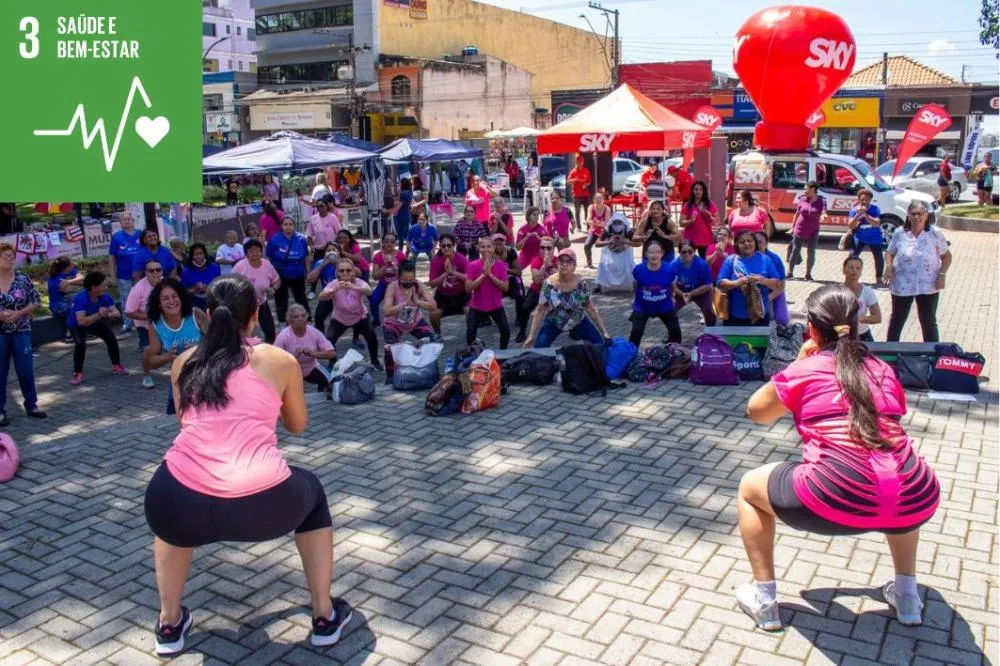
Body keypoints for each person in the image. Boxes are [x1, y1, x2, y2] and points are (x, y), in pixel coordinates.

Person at [143, 274, 352, 656]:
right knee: (314, 494)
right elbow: (297, 425)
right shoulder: (279, 361)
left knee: (173, 514)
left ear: (206, 316)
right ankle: (324, 615)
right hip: (263, 504)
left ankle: (169, 623)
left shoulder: (184, 363)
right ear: (256, 315)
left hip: (175, 501)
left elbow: (186, 426)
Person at [736, 284, 939, 632]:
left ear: (811, 329)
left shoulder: (806, 369)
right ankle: (907, 596)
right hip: (918, 495)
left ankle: (765, 599)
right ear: (856, 325)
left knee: (748, 489)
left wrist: (797, 365)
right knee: (897, 479)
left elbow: (757, 411)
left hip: (833, 497)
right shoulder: (881, 368)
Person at [883, 200, 951, 342]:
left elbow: (946, 256)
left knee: (928, 321)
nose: (916, 217)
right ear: (908, 215)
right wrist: (888, 266)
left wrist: (942, 274)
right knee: (897, 319)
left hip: (928, 284)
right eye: (913, 214)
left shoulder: (935, 233)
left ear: (926, 215)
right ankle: (891, 349)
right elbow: (890, 252)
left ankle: (931, 350)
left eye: (920, 214)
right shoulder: (900, 233)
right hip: (902, 283)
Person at [523, 248, 610, 348]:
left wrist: (604, 332)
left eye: (569, 262)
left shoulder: (580, 283)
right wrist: (531, 336)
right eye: (561, 261)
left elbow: (590, 308)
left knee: (599, 345)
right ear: (557, 264)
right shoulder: (548, 284)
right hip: (554, 321)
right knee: (540, 347)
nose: (564, 264)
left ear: (574, 266)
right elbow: (540, 310)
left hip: (577, 320)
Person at [0, 243, 45, 425]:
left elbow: (35, 301)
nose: (9, 259)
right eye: (5, 256)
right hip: (0, 332)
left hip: (21, 330)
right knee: (0, 372)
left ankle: (32, 405)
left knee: (25, 370)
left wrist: (19, 313)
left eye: (12, 256)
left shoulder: (22, 278)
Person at [143, 278, 206, 395]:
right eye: (165, 298)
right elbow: (152, 362)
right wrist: (168, 357)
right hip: (181, 380)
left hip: (207, 375)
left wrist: (199, 347)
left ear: (181, 297)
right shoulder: (156, 326)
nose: (171, 301)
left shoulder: (196, 314)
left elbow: (218, 341)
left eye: (174, 296)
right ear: (159, 303)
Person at [319, 260, 381, 368]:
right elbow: (321, 296)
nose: (345, 273)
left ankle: (374, 361)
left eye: (348, 270)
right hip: (340, 318)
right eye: (341, 270)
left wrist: (354, 287)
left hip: (360, 317)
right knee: (329, 340)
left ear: (353, 271)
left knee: (372, 337)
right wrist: (334, 289)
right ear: (337, 273)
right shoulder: (334, 283)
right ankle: (333, 361)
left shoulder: (358, 282)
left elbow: (369, 291)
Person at [68, 271, 128, 385]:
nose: (106, 288)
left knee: (110, 338)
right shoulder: (81, 298)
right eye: (103, 285)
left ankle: (116, 366)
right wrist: (99, 314)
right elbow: (81, 322)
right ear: (93, 287)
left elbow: (117, 314)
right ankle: (78, 373)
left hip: (94, 321)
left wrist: (107, 313)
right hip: (76, 324)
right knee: (80, 344)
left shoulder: (105, 296)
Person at [717, 230, 782, 327]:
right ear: (737, 245)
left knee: (759, 338)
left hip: (760, 316)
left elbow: (777, 284)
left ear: (755, 243)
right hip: (734, 317)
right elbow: (720, 284)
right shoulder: (731, 260)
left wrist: (763, 281)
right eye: (742, 242)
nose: (746, 244)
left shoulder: (765, 259)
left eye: (749, 241)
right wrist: (737, 283)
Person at [382, 262, 437, 368]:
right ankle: (391, 375)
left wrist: (418, 301)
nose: (408, 282)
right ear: (398, 277)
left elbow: (433, 306)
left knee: (431, 343)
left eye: (411, 280)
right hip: (394, 323)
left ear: (415, 277)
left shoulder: (418, 285)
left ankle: (432, 371)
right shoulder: (392, 287)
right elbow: (386, 311)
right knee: (390, 350)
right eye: (405, 280)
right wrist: (404, 304)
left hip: (415, 321)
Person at [275, 304, 338, 392]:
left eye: (303, 316)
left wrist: (313, 353)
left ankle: (321, 396)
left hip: (311, 367)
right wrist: (294, 356)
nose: (300, 319)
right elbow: (274, 362)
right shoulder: (283, 336)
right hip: (289, 371)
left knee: (331, 384)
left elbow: (332, 353)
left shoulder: (314, 332)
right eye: (296, 317)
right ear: (290, 320)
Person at [629, 240, 681, 346]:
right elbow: (635, 284)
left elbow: (673, 285)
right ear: (646, 254)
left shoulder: (669, 269)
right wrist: (635, 297)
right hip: (642, 306)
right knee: (636, 332)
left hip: (664, 305)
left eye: (657, 252)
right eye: (651, 252)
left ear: (662, 254)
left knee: (676, 333)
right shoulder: (638, 270)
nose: (654, 255)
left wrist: (672, 297)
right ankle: (631, 353)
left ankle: (672, 351)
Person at [465, 237, 510, 349]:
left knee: (505, 331)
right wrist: (483, 275)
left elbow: (505, 287)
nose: (486, 249)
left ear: (493, 248)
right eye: (483, 247)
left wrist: (490, 275)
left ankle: (502, 353)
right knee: (470, 333)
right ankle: (473, 353)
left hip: (495, 305)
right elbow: (468, 289)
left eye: (489, 246)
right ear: (478, 248)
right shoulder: (473, 265)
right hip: (477, 305)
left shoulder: (500, 265)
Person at [233, 239, 280, 343]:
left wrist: (273, 288)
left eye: (257, 250)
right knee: (246, 332)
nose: (254, 253)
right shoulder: (239, 266)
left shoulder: (266, 264)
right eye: (250, 250)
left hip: (262, 303)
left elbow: (277, 280)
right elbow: (231, 284)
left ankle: (270, 348)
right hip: (244, 305)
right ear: (246, 253)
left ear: (261, 252)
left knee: (270, 330)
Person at [267, 217, 311, 326]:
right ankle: (283, 321)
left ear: (294, 226)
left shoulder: (301, 238)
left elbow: (306, 256)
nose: (288, 226)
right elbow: (268, 258)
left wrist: (308, 271)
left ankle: (307, 320)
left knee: (301, 298)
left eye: (290, 224)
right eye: (285, 224)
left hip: (298, 273)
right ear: (281, 226)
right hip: (280, 273)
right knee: (281, 299)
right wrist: (269, 275)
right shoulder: (274, 239)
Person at [428, 233, 470, 335]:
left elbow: (469, 278)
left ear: (454, 245)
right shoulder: (435, 261)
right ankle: (437, 334)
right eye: (443, 246)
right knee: (433, 314)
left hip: (461, 294)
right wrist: (446, 273)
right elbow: (432, 284)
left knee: (470, 311)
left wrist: (453, 272)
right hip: (443, 295)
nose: (446, 248)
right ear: (440, 246)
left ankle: (471, 334)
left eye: (449, 245)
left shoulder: (461, 259)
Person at [519, 237, 559, 342]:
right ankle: (522, 331)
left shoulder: (558, 260)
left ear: (553, 249)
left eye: (548, 248)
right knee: (525, 308)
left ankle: (574, 330)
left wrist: (551, 265)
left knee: (570, 307)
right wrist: (544, 266)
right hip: (537, 290)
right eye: (542, 247)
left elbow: (561, 279)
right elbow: (536, 279)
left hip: (554, 292)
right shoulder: (536, 260)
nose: (545, 250)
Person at [108, 212, 142, 332]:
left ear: (133, 221)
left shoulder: (141, 234)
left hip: (141, 275)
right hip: (123, 275)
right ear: (121, 223)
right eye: (124, 219)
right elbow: (111, 257)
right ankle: (127, 323)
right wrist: (112, 276)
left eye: (129, 219)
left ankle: (141, 322)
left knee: (142, 298)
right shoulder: (116, 237)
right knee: (126, 299)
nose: (127, 221)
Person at [126, 260, 166, 360]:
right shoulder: (137, 289)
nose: (155, 272)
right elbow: (129, 312)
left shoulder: (166, 283)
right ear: (146, 272)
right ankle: (147, 367)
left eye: (158, 270)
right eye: (151, 270)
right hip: (145, 326)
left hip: (163, 322)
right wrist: (149, 316)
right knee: (148, 352)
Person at [671, 240, 716, 327]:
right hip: (681, 291)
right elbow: (671, 284)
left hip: (700, 291)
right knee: (670, 310)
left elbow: (708, 285)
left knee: (708, 310)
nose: (687, 254)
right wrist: (682, 294)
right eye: (684, 252)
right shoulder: (673, 265)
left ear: (694, 251)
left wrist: (691, 294)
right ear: (679, 252)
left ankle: (711, 330)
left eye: (690, 251)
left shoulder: (702, 265)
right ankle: (673, 331)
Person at [788, 181, 827, 281]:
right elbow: (797, 214)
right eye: (804, 189)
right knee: (795, 250)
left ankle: (808, 273)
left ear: (813, 189)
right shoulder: (802, 199)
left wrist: (823, 216)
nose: (804, 191)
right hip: (800, 228)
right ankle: (790, 272)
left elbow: (824, 211)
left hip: (813, 229)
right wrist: (793, 227)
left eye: (806, 189)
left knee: (811, 252)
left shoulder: (821, 200)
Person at [493, 234, 527, 343]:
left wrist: (505, 269)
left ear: (505, 243)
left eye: (501, 243)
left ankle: (519, 318)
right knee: (487, 294)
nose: (498, 246)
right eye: (496, 244)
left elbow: (519, 271)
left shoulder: (511, 252)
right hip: (497, 280)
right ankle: (487, 318)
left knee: (520, 295)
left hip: (511, 279)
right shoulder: (490, 253)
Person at [371, 233, 408, 326]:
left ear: (395, 243)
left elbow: (406, 275)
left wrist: (394, 267)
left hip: (397, 284)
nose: (389, 244)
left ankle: (401, 320)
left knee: (402, 302)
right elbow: (374, 277)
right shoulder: (378, 256)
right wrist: (385, 267)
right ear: (383, 243)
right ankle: (376, 321)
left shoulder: (401, 255)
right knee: (373, 301)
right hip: (383, 283)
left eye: (392, 241)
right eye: (387, 241)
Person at [847, 189, 884, 283]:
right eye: (862, 199)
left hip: (874, 237)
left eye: (867, 199)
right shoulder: (854, 210)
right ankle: (849, 277)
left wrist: (865, 215)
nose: (864, 201)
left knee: (878, 258)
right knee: (852, 257)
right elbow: (851, 225)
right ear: (859, 199)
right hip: (860, 237)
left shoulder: (875, 209)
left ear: (870, 200)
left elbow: (876, 223)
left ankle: (879, 278)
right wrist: (857, 214)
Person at [843, 256, 881, 342]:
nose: (854, 270)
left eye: (858, 268)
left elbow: (877, 317)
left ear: (861, 272)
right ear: (844, 270)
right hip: (842, 335)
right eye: (851, 267)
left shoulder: (867, 291)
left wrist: (859, 319)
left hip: (863, 335)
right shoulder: (835, 292)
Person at [754, 232, 789, 325]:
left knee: (777, 318)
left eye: (760, 242)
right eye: (755, 241)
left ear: (766, 244)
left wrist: (767, 299)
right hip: (753, 294)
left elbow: (781, 286)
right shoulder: (745, 257)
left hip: (772, 293)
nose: (756, 245)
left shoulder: (775, 259)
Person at [595, 213, 635, 292]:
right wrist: (609, 242)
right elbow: (597, 244)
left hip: (624, 252)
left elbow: (638, 244)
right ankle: (599, 285)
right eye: (615, 223)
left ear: (623, 223)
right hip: (611, 252)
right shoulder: (607, 230)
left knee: (630, 264)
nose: (617, 225)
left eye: (619, 223)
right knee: (603, 264)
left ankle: (634, 283)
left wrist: (624, 241)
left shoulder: (628, 231)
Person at [47, 256, 85, 340]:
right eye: (71, 265)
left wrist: (69, 281)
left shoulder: (69, 271)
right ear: (66, 267)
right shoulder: (55, 278)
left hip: (66, 299)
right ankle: (69, 331)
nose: (73, 266)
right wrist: (79, 284)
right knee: (74, 308)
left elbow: (82, 278)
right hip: (57, 304)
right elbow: (66, 289)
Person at [679, 181, 719, 258]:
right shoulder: (687, 205)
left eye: (701, 189)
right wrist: (690, 221)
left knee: (705, 262)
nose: (698, 191)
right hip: (690, 240)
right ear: (692, 191)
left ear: (704, 191)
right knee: (688, 260)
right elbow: (681, 223)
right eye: (696, 189)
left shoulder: (710, 204)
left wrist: (710, 217)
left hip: (706, 239)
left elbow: (717, 222)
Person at [181, 243, 221, 311]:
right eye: (196, 254)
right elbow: (182, 291)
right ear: (192, 256)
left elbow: (220, 287)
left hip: (213, 302)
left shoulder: (215, 267)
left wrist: (210, 288)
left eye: (201, 253)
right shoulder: (186, 271)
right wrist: (194, 289)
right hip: (194, 304)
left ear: (205, 254)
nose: (199, 256)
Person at [583, 191, 612, 269]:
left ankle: (609, 262)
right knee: (586, 245)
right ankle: (589, 261)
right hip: (594, 230)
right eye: (596, 198)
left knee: (609, 246)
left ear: (603, 200)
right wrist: (593, 223)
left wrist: (597, 223)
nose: (598, 200)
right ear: (593, 200)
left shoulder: (607, 208)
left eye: (600, 198)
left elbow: (607, 222)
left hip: (604, 231)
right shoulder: (591, 207)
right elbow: (588, 220)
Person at [567, 155, 592, 233]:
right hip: (576, 195)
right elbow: (568, 181)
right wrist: (575, 179)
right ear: (576, 162)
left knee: (587, 211)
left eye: (581, 161)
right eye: (578, 161)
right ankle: (578, 227)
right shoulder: (573, 171)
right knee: (577, 211)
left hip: (585, 194)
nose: (580, 163)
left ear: (583, 162)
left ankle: (588, 227)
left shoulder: (586, 171)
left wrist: (586, 184)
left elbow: (589, 181)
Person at [393, 178, 415, 250]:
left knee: (400, 236)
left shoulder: (403, 193)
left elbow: (399, 205)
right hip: (408, 215)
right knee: (408, 236)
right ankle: (408, 251)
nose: (399, 184)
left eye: (400, 183)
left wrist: (392, 210)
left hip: (401, 216)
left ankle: (400, 250)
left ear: (402, 184)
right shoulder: (410, 192)